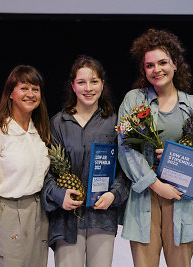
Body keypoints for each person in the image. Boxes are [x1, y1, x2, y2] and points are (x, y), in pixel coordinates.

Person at [117, 28, 193, 267]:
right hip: (145, 198)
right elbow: (125, 148)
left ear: (175, 64)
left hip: (183, 200)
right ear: (144, 70)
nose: (157, 70)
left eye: (163, 62)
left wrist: (185, 157)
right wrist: (155, 184)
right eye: (150, 65)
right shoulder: (134, 100)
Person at [41, 55, 130, 267]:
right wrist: (59, 195)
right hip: (66, 218)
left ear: (103, 84)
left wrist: (113, 194)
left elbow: (125, 170)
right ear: (72, 86)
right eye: (81, 82)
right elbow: (46, 171)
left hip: (102, 215)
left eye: (94, 81)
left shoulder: (115, 123)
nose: (88, 88)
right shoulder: (58, 123)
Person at [0, 65, 51, 267]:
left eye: (36, 89)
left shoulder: (39, 132)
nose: (30, 94)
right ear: (11, 94)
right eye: (24, 88)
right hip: (7, 214)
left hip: (38, 213)